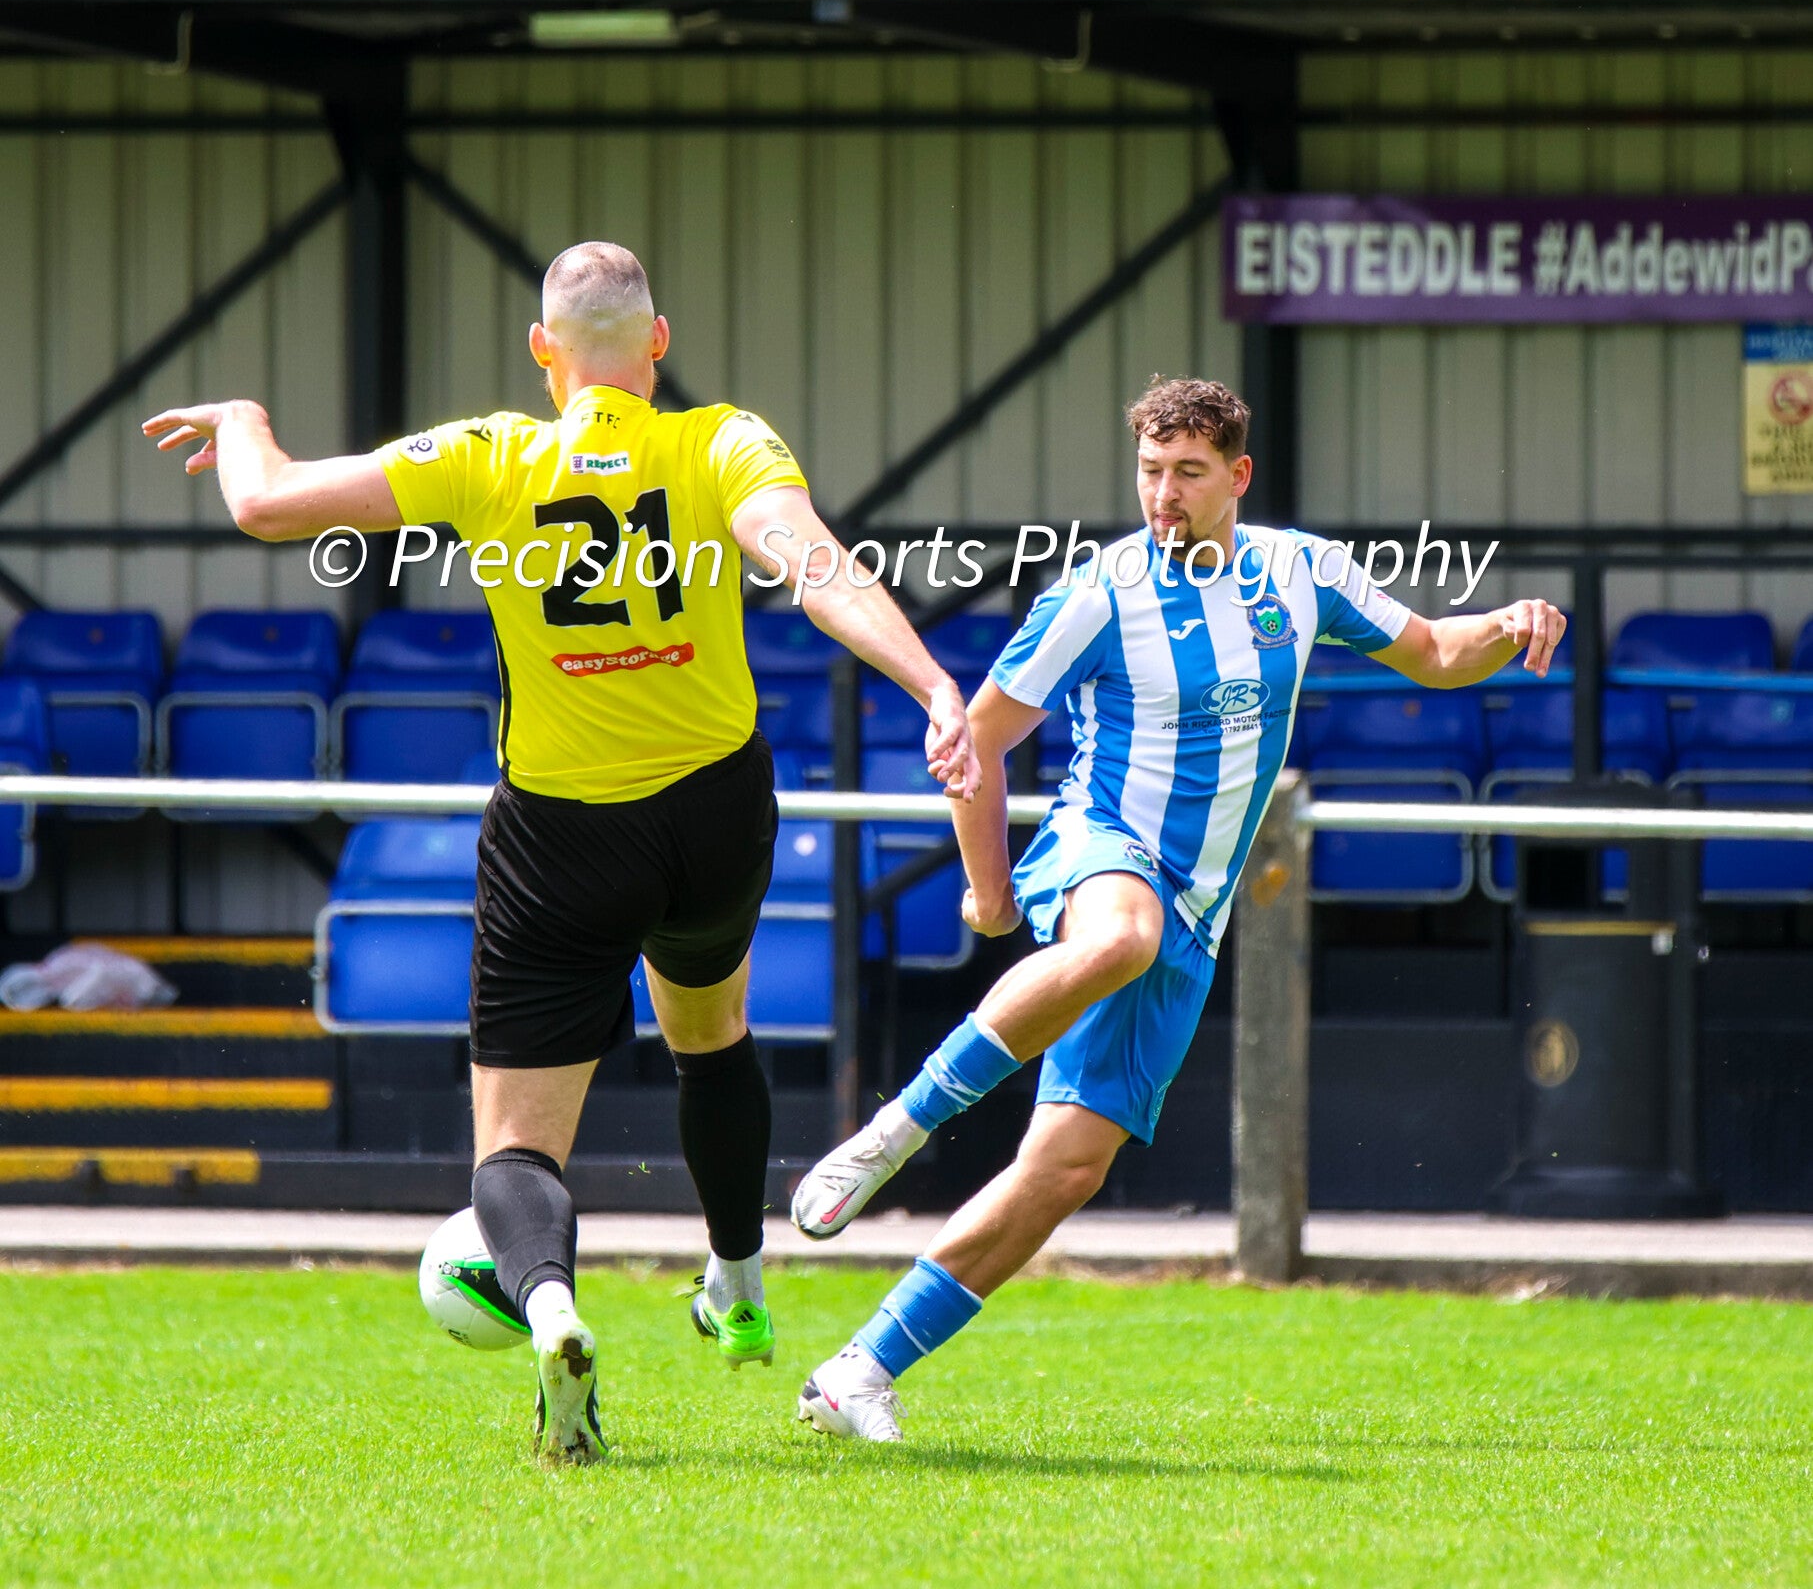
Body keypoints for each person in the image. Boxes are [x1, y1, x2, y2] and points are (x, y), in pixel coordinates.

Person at [143, 240, 977, 1465]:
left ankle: (550, 1309)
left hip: (559, 831)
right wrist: (930, 681)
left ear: (543, 350)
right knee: (713, 1032)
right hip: (712, 811)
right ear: (658, 342)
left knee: (517, 1145)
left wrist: (248, 420)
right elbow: (810, 564)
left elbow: (266, 505)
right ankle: (736, 1278)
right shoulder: (718, 441)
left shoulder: (488, 453)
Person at [789, 373, 1564, 1443]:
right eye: (1150, 471)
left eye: (1188, 472)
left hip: (1197, 907)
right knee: (1119, 933)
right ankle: (894, 1128)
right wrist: (988, 887)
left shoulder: (1298, 571)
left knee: (1065, 1167)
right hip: (1105, 846)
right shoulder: (1095, 592)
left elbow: (1431, 652)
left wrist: (1508, 617)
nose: (1164, 492)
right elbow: (974, 740)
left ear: (1235, 475)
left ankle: (858, 1368)